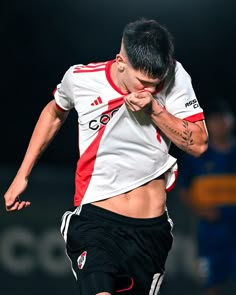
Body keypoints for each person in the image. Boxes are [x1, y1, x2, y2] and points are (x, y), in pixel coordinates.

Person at [4, 18, 208, 295]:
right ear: (121, 61)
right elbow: (54, 112)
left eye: (154, 84)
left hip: (150, 233)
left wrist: (155, 110)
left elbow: (198, 144)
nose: (148, 91)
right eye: (142, 82)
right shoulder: (81, 79)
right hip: (96, 222)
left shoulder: (174, 75)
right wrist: (22, 174)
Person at [178, 100, 236, 295]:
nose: (218, 125)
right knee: (210, 284)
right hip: (208, 233)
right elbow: (184, 190)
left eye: (222, 120)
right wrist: (200, 210)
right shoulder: (197, 156)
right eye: (213, 121)